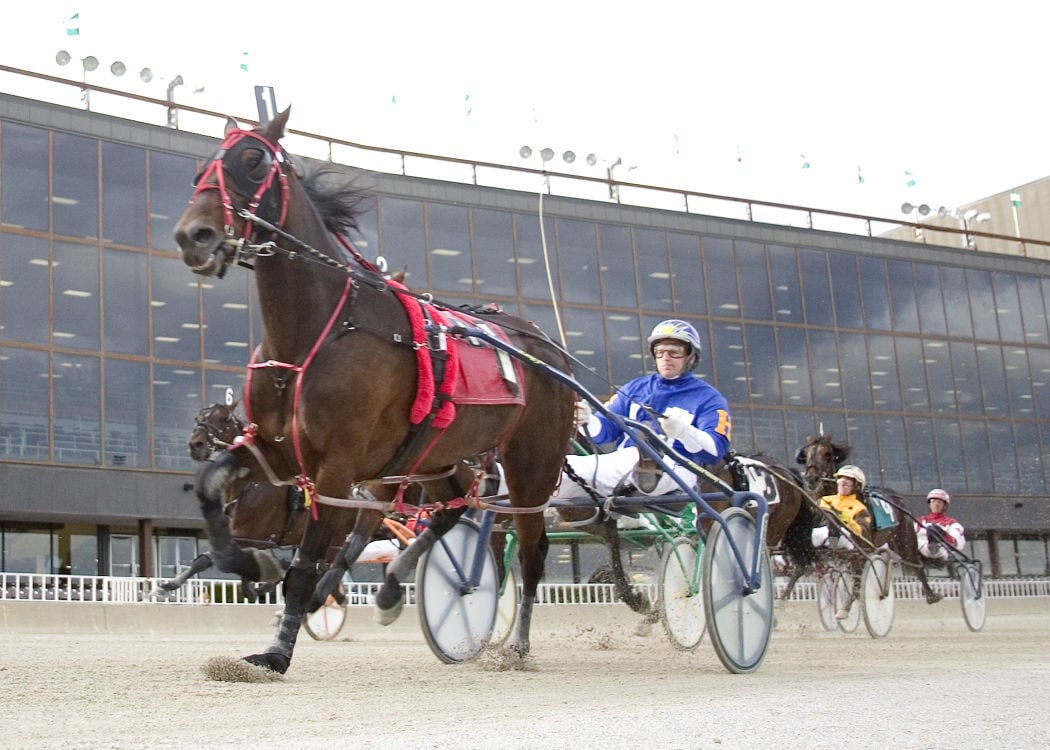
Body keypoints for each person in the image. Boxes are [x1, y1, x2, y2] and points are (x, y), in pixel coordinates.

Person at [555, 319, 732, 500]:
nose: (666, 357)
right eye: (660, 352)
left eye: (674, 352)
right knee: (555, 474)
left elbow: (715, 452)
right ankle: (630, 517)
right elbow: (606, 431)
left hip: (677, 466)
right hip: (622, 461)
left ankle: (637, 496)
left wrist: (685, 432)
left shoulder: (709, 398)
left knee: (645, 473)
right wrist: (588, 420)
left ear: (691, 357)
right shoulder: (635, 388)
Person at [811, 464, 873, 550]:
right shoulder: (824, 500)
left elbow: (863, 532)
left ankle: (832, 548)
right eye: (840, 481)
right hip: (819, 535)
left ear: (856, 487)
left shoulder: (860, 508)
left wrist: (849, 521)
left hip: (845, 539)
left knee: (833, 519)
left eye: (847, 483)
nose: (842, 485)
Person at [915, 488, 966, 561]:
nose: (935, 504)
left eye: (939, 502)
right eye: (933, 501)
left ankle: (933, 546)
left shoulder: (952, 523)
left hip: (940, 550)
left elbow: (957, 542)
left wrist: (943, 534)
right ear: (929, 504)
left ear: (944, 505)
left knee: (933, 531)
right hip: (916, 549)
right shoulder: (919, 521)